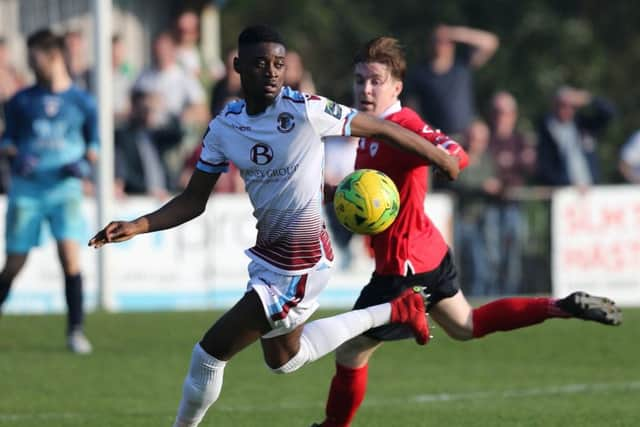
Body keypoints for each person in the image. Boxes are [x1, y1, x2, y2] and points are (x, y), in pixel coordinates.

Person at [89, 25, 461, 427]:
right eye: (261, 63)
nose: (271, 72)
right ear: (237, 67)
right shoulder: (225, 127)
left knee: (209, 354)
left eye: (279, 64)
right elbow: (194, 200)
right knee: (285, 360)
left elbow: (383, 127)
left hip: (301, 262)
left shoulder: (305, 109)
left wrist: (441, 158)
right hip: (269, 257)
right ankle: (394, 309)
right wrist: (139, 224)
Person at [310, 36, 622, 427]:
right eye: (360, 80)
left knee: (351, 351)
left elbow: (453, 152)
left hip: (404, 268)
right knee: (466, 325)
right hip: (428, 252)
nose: (366, 89)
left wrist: (449, 158)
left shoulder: (403, 124)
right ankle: (561, 306)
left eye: (375, 80)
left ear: (396, 87)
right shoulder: (372, 129)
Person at [0, 29, 98, 354]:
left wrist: (83, 166)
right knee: (14, 263)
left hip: (64, 190)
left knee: (69, 258)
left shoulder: (82, 102)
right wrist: (17, 155)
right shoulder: (21, 101)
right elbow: (8, 141)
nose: (30, 66)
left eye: (34, 59)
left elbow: (94, 147)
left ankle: (76, 331)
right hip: (27, 190)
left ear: (53, 56)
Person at [404, 24, 499, 136]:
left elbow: (491, 43)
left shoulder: (462, 64)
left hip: (468, 136)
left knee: (479, 131)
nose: (441, 45)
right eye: (437, 41)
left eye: (446, 42)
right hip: (437, 138)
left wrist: (456, 34)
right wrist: (430, 133)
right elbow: (412, 109)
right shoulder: (419, 73)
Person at [487, 91, 536, 294]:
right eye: (498, 112)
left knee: (514, 253)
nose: (502, 116)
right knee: (492, 255)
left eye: (506, 112)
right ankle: (489, 295)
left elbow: (531, 167)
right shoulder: (486, 139)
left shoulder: (520, 139)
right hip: (489, 206)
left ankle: (511, 294)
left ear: (514, 115)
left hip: (514, 204)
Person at [536, 86, 615, 187]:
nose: (567, 109)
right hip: (564, 192)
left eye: (572, 106)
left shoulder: (583, 124)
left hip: (591, 188)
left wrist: (589, 99)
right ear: (554, 105)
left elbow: (609, 113)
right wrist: (566, 184)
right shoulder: (546, 128)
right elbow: (545, 166)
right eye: (563, 105)